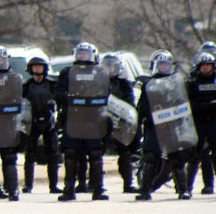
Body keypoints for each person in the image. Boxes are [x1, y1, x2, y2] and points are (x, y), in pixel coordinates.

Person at [135, 50, 196, 201]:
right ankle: (145, 190)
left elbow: (184, 104)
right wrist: (151, 114)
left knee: (177, 159)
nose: (163, 68)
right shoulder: (148, 85)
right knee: (150, 158)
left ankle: (183, 190)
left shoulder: (177, 84)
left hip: (173, 127)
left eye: (166, 65)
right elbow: (141, 107)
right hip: (154, 127)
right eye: (161, 65)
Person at [54, 42, 110, 201]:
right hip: (73, 119)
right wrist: (72, 100)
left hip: (93, 120)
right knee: (71, 154)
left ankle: (98, 189)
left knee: (95, 154)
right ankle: (69, 190)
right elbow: (58, 93)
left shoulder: (99, 73)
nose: (82, 56)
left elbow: (106, 93)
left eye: (85, 53)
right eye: (80, 53)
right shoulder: (67, 72)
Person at [185, 51, 216, 197]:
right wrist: (202, 106)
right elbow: (187, 103)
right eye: (203, 66)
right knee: (194, 156)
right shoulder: (192, 83)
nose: (205, 68)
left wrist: (215, 105)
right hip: (198, 122)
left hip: (215, 122)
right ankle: (187, 188)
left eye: (208, 66)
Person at [21, 56, 61, 194]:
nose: (37, 69)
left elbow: (60, 100)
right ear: (30, 69)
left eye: (40, 66)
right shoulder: (26, 85)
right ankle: (28, 185)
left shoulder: (52, 84)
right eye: (35, 66)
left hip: (49, 122)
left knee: (53, 154)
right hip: (32, 121)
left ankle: (54, 185)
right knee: (30, 155)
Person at [101, 53, 138, 194]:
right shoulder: (98, 82)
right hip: (102, 123)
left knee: (125, 153)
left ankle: (128, 183)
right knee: (96, 152)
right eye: (106, 66)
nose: (109, 69)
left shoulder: (124, 84)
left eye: (112, 66)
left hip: (120, 125)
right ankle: (94, 182)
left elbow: (130, 105)